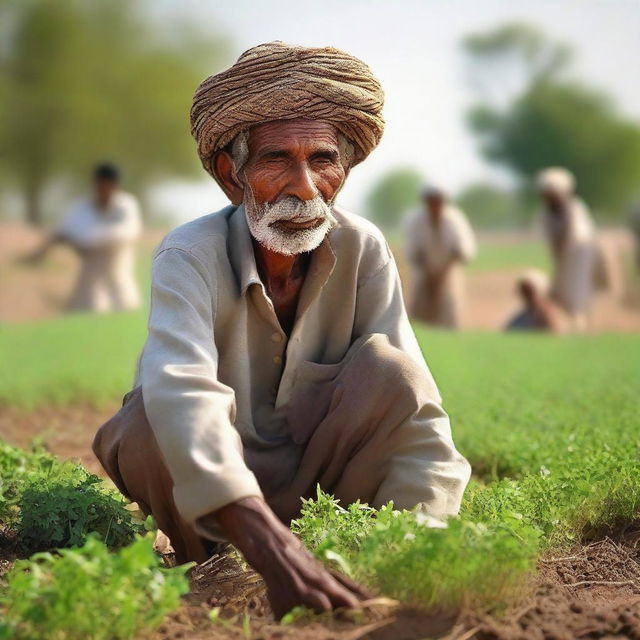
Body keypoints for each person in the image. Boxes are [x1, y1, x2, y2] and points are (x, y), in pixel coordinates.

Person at [92, 42, 471, 617]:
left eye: (322, 158)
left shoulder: (363, 247)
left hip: (325, 488)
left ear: (343, 170)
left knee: (392, 369)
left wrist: (419, 547)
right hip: (216, 507)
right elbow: (181, 388)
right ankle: (219, 565)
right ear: (230, 175)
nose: (304, 185)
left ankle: (353, 554)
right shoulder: (189, 254)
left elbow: (414, 410)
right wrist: (268, 544)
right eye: (277, 160)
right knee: (149, 413)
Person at [24, 163, 142, 313]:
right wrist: (40, 252)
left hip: (117, 267)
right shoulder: (83, 207)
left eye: (106, 185)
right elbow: (62, 230)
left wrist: (88, 240)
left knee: (124, 307)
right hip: (90, 270)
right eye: (99, 184)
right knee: (87, 311)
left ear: (114, 185)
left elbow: (127, 232)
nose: (102, 189)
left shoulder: (125, 205)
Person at [536, 167, 612, 331]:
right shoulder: (547, 213)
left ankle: (583, 328)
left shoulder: (575, 208)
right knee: (565, 297)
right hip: (564, 261)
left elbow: (576, 237)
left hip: (581, 258)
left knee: (580, 295)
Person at [404, 185, 476, 328]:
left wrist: (442, 274)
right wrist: (429, 273)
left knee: (448, 312)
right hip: (424, 273)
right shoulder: (416, 219)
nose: (434, 205)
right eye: (431, 201)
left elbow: (461, 251)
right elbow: (414, 251)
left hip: (449, 274)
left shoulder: (454, 219)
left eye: (438, 201)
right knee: (420, 314)